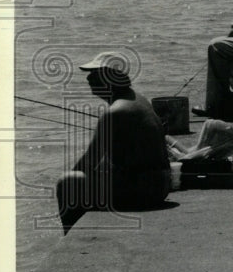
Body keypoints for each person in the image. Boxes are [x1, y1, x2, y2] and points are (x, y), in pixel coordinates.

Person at [55, 53, 171, 234]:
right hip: (161, 185)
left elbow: (87, 164)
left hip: (145, 192)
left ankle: (70, 235)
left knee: (68, 182)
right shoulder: (138, 99)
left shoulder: (115, 112)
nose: (88, 78)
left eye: (95, 74)